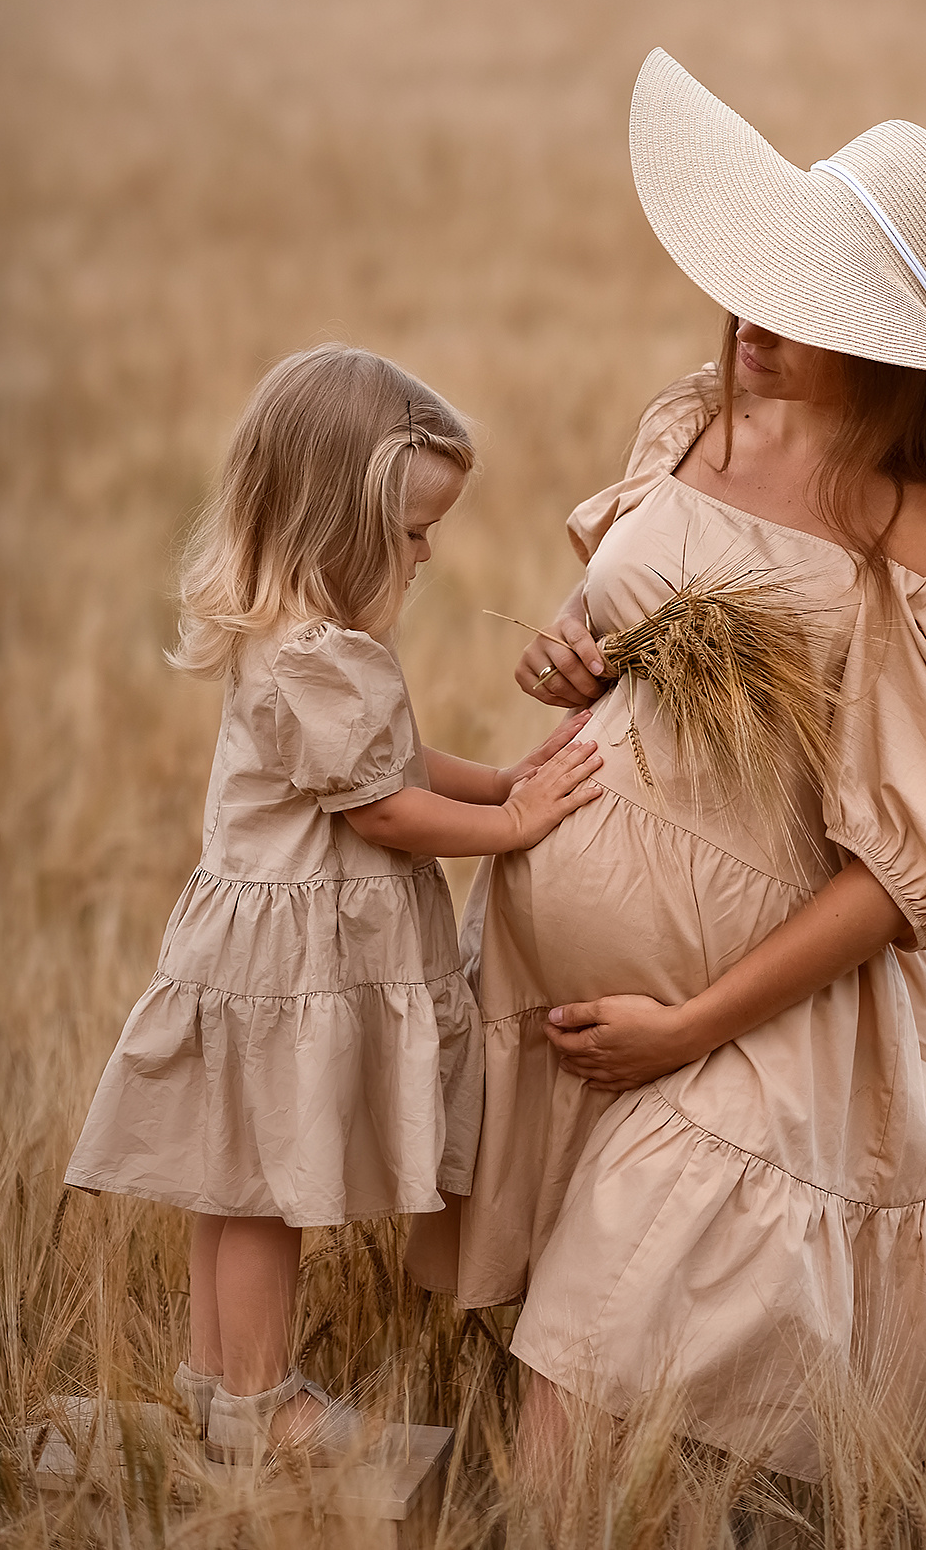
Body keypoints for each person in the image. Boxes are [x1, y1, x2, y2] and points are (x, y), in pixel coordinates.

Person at [408, 51, 926, 1481]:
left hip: (755, 1030)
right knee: (563, 1413)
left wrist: (691, 1029)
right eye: (760, 274)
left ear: (891, 340)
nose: (756, 318)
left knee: (562, 1458)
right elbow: (629, 619)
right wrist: (575, 648)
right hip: (557, 979)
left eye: (807, 305)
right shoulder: (700, 415)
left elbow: (908, 867)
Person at [64, 344, 603, 1464]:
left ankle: (214, 1383)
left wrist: (498, 779)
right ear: (332, 525)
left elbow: (395, 756)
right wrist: (511, 826)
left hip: (256, 948)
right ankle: (259, 1410)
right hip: (286, 967)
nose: (426, 552)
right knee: (265, 1193)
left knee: (235, 1179)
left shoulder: (301, 638)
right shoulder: (316, 656)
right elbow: (385, 811)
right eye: (409, 532)